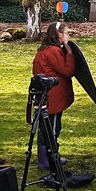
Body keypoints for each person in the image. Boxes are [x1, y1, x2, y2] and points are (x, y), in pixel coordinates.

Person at [32, 22, 75, 172]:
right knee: (52, 129)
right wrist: (69, 51)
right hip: (52, 97)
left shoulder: (45, 49)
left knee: (46, 127)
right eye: (67, 33)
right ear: (59, 35)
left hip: (45, 96)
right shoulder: (52, 51)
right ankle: (49, 160)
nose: (68, 36)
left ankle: (49, 158)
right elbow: (68, 71)